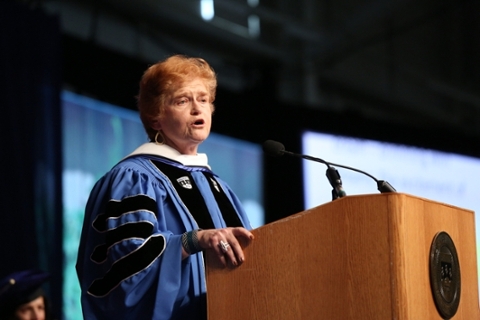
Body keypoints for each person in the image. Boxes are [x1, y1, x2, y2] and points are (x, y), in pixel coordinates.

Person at [76, 54, 255, 320]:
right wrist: (193, 240)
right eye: (183, 100)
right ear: (156, 118)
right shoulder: (134, 177)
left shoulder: (217, 185)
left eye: (203, 99)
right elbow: (128, 270)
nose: (198, 109)